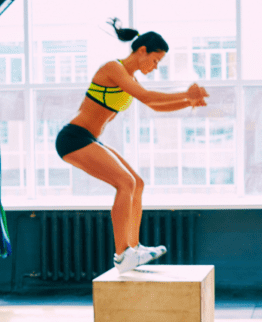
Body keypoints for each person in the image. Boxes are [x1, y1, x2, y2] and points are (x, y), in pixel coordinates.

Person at [57, 18, 210, 273]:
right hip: (73, 137)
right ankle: (122, 254)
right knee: (125, 183)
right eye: (155, 60)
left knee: (137, 183)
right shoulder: (113, 68)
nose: (155, 66)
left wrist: (189, 102)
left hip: (88, 138)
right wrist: (187, 93)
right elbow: (149, 97)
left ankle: (134, 247)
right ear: (142, 51)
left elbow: (153, 105)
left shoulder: (129, 78)